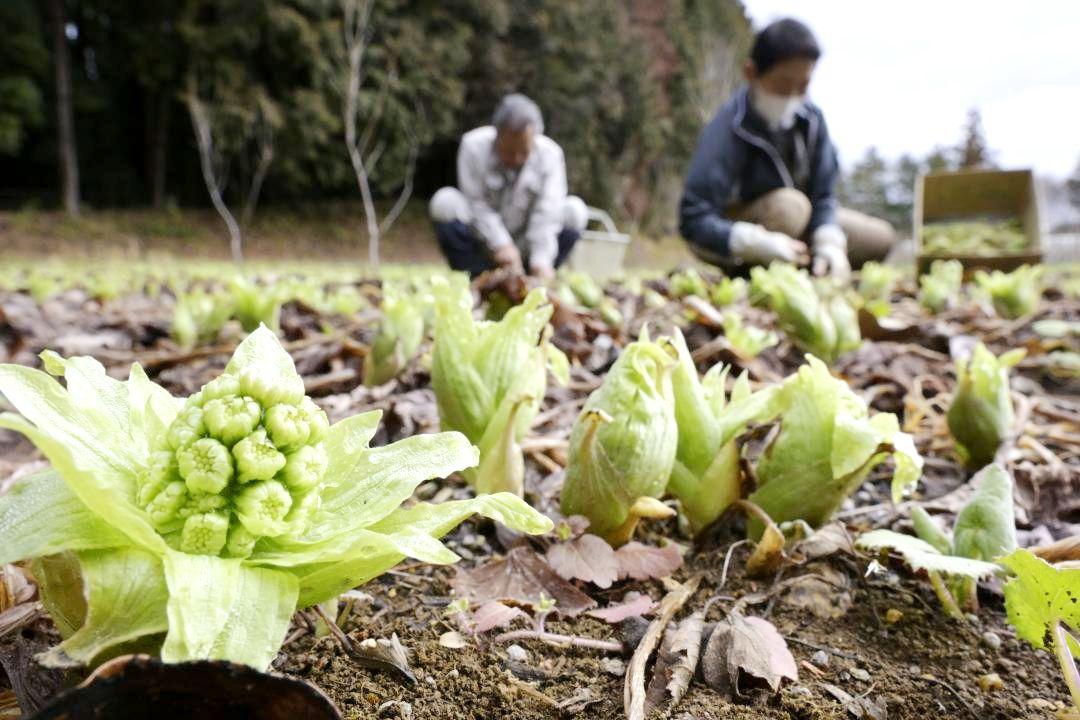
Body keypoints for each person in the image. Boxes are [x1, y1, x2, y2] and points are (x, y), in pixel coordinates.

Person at [679, 18, 896, 280]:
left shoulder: (812, 120)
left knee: (880, 237)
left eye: (803, 85)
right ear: (751, 73)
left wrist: (829, 239)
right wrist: (752, 242)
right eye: (783, 84)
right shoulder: (730, 127)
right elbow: (693, 218)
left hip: (801, 224)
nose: (794, 94)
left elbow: (823, 195)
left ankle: (811, 262)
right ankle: (749, 267)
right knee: (791, 207)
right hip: (750, 226)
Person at [429, 94, 588, 280]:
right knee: (444, 202)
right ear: (497, 135)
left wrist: (541, 260)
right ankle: (475, 276)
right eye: (510, 152)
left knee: (575, 210)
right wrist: (501, 244)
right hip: (483, 242)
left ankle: (535, 276)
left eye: (524, 151)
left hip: (528, 243)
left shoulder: (551, 155)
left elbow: (547, 211)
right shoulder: (473, 146)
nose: (517, 158)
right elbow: (476, 203)